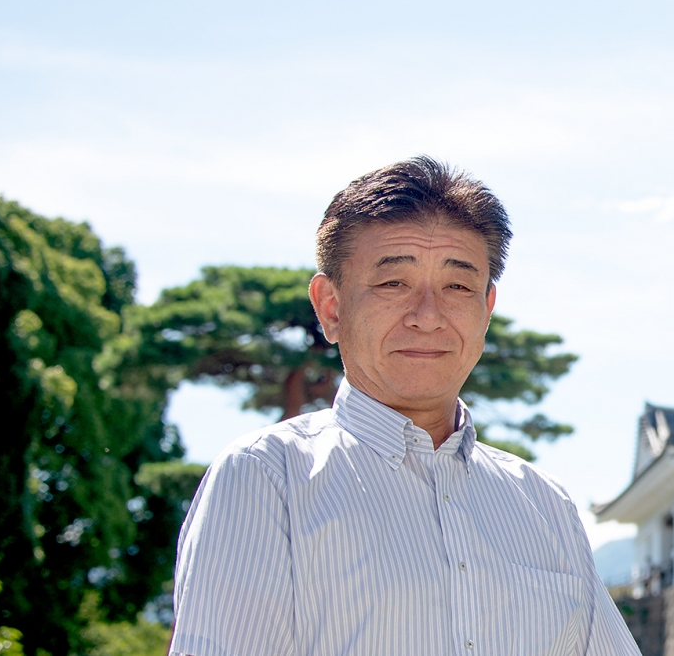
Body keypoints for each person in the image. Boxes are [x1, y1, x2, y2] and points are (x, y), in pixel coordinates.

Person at [169, 157, 639, 656]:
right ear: (330, 306)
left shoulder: (547, 507)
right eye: (394, 283)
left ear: (486, 309)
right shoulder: (267, 479)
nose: (428, 316)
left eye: (457, 286)